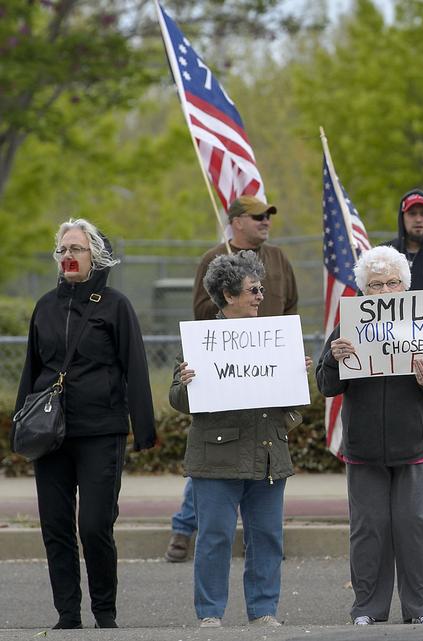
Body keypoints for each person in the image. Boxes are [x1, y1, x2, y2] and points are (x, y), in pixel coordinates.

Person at [16, 219, 156, 629]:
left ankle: (104, 613)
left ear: (94, 254)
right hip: (49, 434)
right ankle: (67, 614)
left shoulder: (114, 304)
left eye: (76, 249)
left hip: (101, 430)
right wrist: (19, 427)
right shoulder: (44, 306)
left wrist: (142, 429)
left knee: (94, 525)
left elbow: (135, 367)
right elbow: (32, 368)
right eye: (63, 250)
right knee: (55, 526)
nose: (68, 257)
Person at [315, 245, 423, 625]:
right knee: (368, 531)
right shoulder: (348, 325)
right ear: (364, 290)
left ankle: (422, 609)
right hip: (364, 449)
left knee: (416, 527)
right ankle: (368, 609)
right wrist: (333, 358)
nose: (384, 291)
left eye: (392, 283)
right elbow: (326, 386)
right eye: (375, 284)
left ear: (405, 286)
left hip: (416, 445)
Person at [169, 251, 307, 628]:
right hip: (216, 457)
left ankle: (264, 611)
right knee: (214, 538)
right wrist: (185, 382)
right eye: (253, 289)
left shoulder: (277, 337)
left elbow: (294, 407)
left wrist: (296, 376)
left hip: (267, 456)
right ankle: (210, 614)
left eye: (261, 288)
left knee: (267, 538)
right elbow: (179, 401)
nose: (261, 295)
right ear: (229, 295)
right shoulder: (201, 340)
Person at [167, 195, 300, 564]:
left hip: (267, 386)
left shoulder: (279, 259)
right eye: (258, 216)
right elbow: (200, 312)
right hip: (224, 380)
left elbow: (290, 310)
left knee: (255, 460)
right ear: (237, 221)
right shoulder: (213, 257)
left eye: (268, 216)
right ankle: (184, 526)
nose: (265, 222)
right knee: (218, 457)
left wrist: (280, 353)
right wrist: (232, 315)